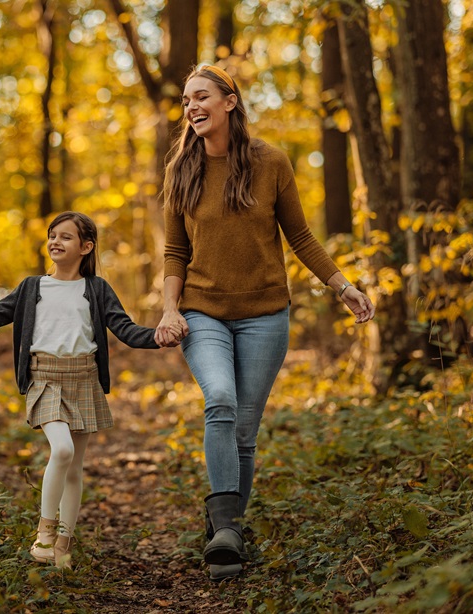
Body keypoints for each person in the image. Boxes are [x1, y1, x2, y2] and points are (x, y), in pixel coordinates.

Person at [155, 64, 375, 582]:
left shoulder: (270, 162)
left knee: (246, 434)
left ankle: (227, 532)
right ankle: (228, 528)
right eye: (187, 100)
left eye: (202, 96)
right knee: (221, 401)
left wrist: (342, 285)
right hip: (202, 310)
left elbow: (300, 237)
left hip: (265, 316)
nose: (192, 107)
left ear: (230, 102)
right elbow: (174, 250)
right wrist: (169, 307)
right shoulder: (180, 171)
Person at [0, 211, 176, 569]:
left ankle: (63, 547)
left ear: (86, 247)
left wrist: (158, 337)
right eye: (53, 235)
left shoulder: (97, 289)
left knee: (74, 468)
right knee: (64, 450)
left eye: (66, 237)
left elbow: (125, 329)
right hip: (45, 379)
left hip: (84, 379)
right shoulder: (32, 288)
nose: (55, 241)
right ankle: (44, 534)